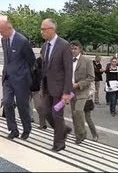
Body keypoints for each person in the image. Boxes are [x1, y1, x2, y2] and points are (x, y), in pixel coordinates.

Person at [0, 20, 36, 140]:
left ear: (9, 29)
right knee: (7, 103)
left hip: (21, 80)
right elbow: (6, 59)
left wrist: (25, 76)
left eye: (1, 31)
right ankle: (13, 129)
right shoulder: (4, 40)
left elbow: (32, 61)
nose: (0, 34)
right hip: (7, 79)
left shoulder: (22, 41)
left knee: (22, 106)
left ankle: (27, 129)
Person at [40, 18, 73, 152]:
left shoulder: (64, 45)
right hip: (47, 87)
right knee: (46, 112)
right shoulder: (44, 46)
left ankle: (59, 144)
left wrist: (67, 92)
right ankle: (63, 130)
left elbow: (68, 69)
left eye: (43, 29)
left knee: (56, 115)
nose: (41, 32)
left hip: (60, 89)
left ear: (52, 30)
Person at [70, 40, 95, 144]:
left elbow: (91, 77)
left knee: (78, 111)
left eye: (75, 48)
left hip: (82, 91)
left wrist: (79, 84)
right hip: (71, 91)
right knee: (74, 114)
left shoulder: (87, 61)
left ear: (80, 49)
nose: (73, 50)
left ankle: (83, 132)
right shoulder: (67, 60)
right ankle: (78, 136)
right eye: (71, 48)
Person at [30, 54, 47, 129]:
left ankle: (42, 124)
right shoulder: (37, 61)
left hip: (37, 88)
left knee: (39, 106)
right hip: (29, 86)